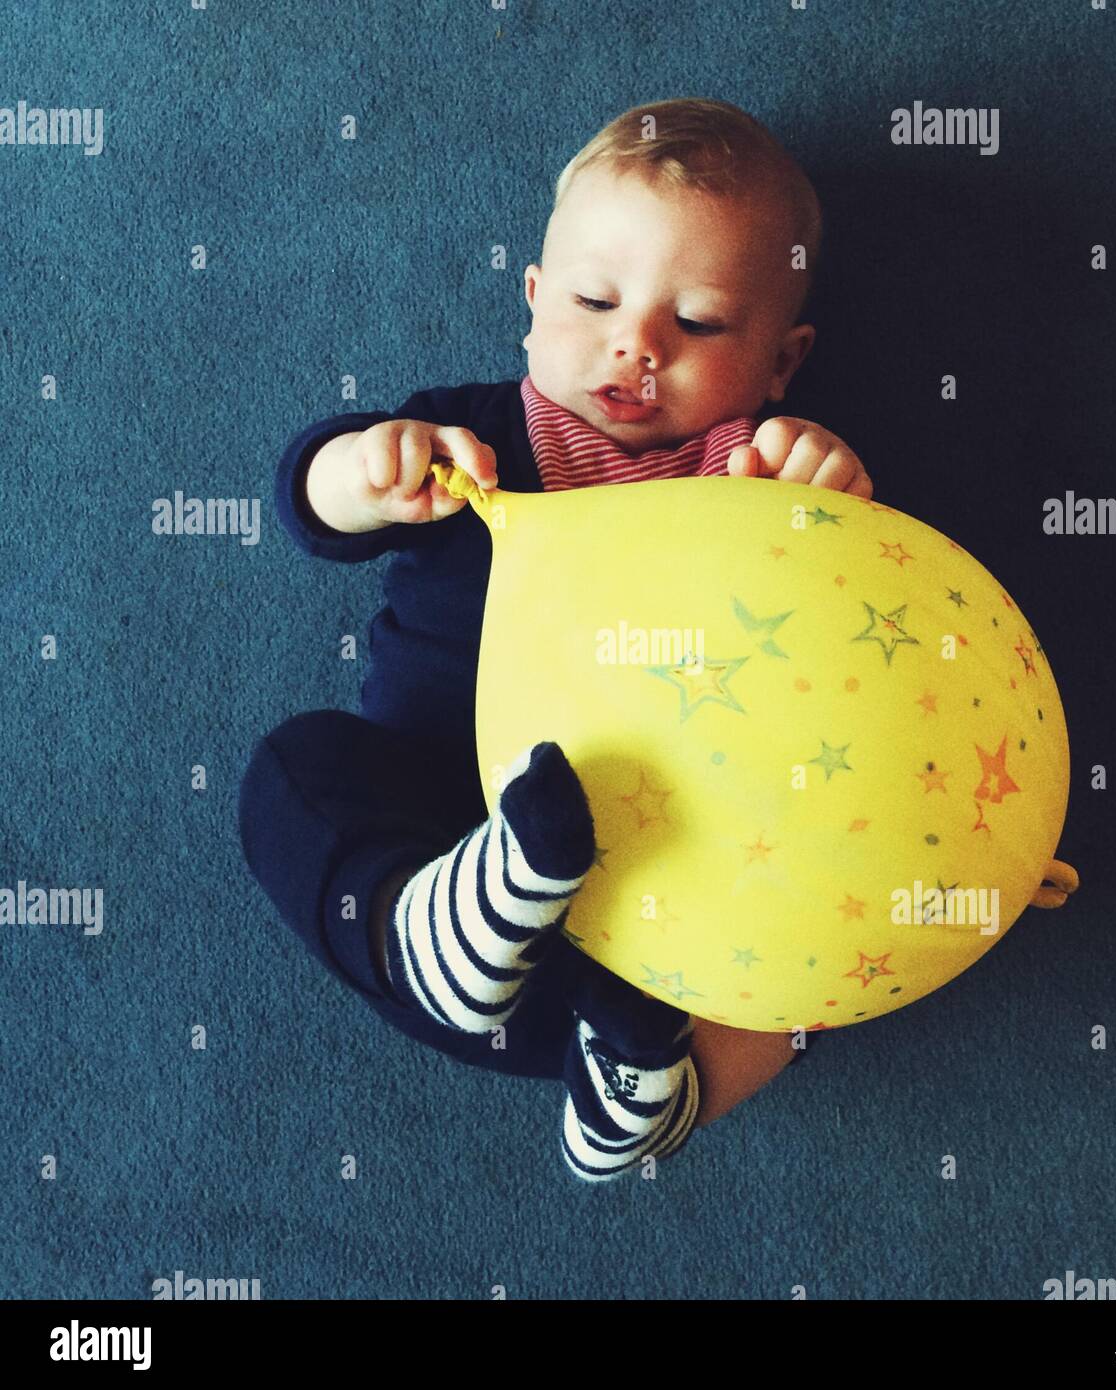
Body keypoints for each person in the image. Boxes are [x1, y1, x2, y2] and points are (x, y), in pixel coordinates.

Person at [238, 97, 873, 1183]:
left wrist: (832, 507)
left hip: (672, 886)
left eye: (704, 323)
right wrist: (359, 474)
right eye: (594, 299)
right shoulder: (466, 434)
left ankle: (653, 1098)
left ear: (781, 360)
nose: (636, 343)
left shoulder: (758, 474)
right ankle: (411, 926)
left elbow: (859, 639)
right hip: (443, 841)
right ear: (532, 305)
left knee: (817, 940)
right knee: (292, 769)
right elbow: (304, 504)